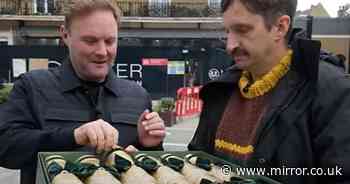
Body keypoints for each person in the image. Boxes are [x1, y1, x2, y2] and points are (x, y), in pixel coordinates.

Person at [0, 0, 166, 183]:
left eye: (110, 41)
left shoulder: (138, 95)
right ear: (65, 34)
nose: (102, 51)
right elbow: (5, 148)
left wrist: (149, 147)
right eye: (90, 40)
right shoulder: (31, 87)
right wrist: (73, 136)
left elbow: (151, 172)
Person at [189, 0, 350, 183]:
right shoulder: (220, 90)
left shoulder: (332, 90)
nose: (230, 46)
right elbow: (195, 165)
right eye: (227, 32)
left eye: (242, 30)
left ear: (280, 27)